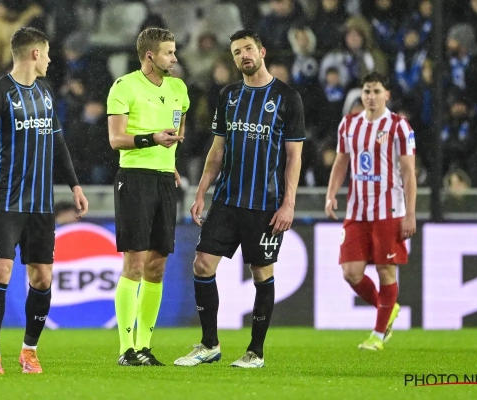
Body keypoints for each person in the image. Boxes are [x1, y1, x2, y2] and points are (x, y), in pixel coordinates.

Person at [0, 27, 89, 374]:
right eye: (46, 53)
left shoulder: (45, 93)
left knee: (42, 278)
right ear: (34, 54)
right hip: (5, 201)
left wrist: (75, 186)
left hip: (41, 205)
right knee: (0, 271)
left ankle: (29, 351)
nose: (49, 60)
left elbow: (57, 142)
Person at [174, 29, 305, 368]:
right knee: (202, 264)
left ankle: (255, 352)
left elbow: (294, 157)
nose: (243, 55)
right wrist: (201, 191)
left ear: (262, 52)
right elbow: (217, 150)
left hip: (265, 204)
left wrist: (289, 203)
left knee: (261, 272)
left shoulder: (287, 97)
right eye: (236, 52)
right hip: (227, 199)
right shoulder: (229, 95)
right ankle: (209, 344)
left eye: (248, 49)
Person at [107, 27, 188, 367]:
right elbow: (116, 139)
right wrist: (152, 139)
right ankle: (126, 349)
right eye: (169, 52)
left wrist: (170, 161)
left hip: (164, 180)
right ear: (150, 56)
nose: (175, 58)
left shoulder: (179, 89)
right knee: (135, 263)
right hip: (135, 179)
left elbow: (178, 129)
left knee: (157, 265)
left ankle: (144, 347)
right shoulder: (124, 87)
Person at [325, 72, 416, 351]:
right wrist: (331, 194)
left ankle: (377, 336)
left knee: (386, 270)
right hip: (357, 210)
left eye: (377, 91)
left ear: (387, 95)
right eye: (366, 91)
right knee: (350, 272)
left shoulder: (399, 126)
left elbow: (409, 172)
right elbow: (341, 161)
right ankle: (387, 309)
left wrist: (410, 213)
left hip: (389, 209)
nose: (371, 97)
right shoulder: (349, 124)